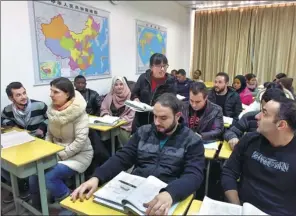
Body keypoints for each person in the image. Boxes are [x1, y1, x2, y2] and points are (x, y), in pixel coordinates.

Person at [70, 93, 205, 215]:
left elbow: (194, 175)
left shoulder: (192, 141)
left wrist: (170, 193)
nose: (157, 122)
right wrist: (97, 177)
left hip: (169, 193)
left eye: (163, 118)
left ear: (177, 116)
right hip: (136, 190)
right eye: (155, 116)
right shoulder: (143, 132)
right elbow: (122, 158)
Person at [221, 97, 296, 215]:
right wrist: (236, 207)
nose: (257, 116)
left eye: (264, 113)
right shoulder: (249, 140)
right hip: (242, 208)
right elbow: (229, 172)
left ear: (281, 125)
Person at [29, 77, 93, 211]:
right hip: (56, 152)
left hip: (79, 155)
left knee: (49, 177)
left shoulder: (79, 113)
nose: (51, 95)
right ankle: (38, 207)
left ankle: (70, 205)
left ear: (68, 94)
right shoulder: (53, 111)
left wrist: (59, 155)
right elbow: (49, 134)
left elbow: (80, 142)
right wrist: (47, 151)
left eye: (56, 92)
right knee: (33, 175)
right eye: (51, 91)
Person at [1, 82, 48, 203]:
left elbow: (51, 118)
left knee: (25, 165)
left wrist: (42, 127)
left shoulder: (39, 105)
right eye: (18, 95)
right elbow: (3, 119)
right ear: (11, 98)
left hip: (39, 142)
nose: (23, 97)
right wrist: (12, 124)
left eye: (24, 93)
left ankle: (26, 188)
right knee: (6, 163)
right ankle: (18, 187)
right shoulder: (7, 110)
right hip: (20, 142)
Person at [131, 53, 176, 132]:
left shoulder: (171, 81)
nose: (162, 69)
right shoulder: (143, 78)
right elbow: (134, 93)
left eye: (164, 66)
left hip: (159, 123)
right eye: (159, 66)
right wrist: (135, 99)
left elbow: (172, 102)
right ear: (151, 67)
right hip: (141, 121)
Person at [100, 76, 135, 145]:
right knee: (103, 135)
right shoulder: (110, 96)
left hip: (124, 124)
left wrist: (120, 121)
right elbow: (104, 109)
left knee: (122, 137)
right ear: (113, 86)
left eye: (121, 84)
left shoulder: (131, 97)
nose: (119, 87)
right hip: (110, 123)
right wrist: (106, 115)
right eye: (116, 85)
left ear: (124, 85)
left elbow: (132, 115)